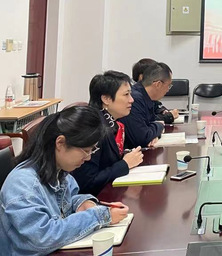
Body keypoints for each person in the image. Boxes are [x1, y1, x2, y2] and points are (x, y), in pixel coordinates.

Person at [0, 106, 129, 256]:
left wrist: (83, 203)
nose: (88, 157)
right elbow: (43, 237)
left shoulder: (59, 171)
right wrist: (99, 216)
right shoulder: (22, 185)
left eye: (91, 150)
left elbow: (68, 199)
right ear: (60, 143)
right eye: (86, 151)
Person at [72, 71, 144, 195]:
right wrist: (125, 164)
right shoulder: (93, 128)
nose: (131, 100)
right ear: (106, 99)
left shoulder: (111, 123)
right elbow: (87, 182)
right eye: (126, 94)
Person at [120, 62, 172, 148]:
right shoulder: (135, 99)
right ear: (158, 84)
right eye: (168, 86)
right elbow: (142, 138)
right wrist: (159, 125)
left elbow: (149, 126)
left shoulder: (146, 96)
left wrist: (153, 133)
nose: (168, 90)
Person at [132, 58, 178, 124]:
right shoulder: (135, 97)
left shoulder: (147, 95)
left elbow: (157, 107)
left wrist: (163, 111)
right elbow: (147, 122)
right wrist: (167, 117)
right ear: (142, 77)